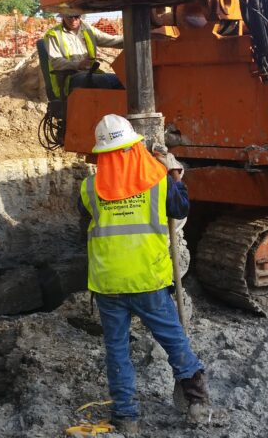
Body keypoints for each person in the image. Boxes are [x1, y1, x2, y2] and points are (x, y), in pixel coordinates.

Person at [78, 114, 210, 434]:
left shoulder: (89, 187)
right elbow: (179, 209)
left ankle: (126, 417)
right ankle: (196, 402)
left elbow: (85, 228)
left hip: (108, 282)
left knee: (117, 350)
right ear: (133, 147)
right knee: (173, 339)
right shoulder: (157, 180)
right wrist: (173, 176)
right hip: (147, 279)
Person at [43, 12, 125, 99]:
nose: (73, 20)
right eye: (69, 17)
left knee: (122, 80)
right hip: (70, 78)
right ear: (63, 16)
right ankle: (105, 110)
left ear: (81, 16)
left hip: (91, 73)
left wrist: (132, 38)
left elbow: (112, 40)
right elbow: (56, 62)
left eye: (76, 16)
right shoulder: (54, 34)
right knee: (102, 81)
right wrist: (78, 64)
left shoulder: (88, 29)